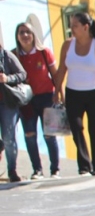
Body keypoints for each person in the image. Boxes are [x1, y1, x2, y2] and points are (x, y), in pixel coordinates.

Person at [53, 13, 95, 176]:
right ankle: (84, 166)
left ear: (86, 27)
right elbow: (61, 69)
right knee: (76, 127)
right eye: (71, 25)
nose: (71, 29)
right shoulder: (67, 45)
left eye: (75, 25)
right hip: (73, 93)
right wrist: (57, 90)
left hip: (94, 93)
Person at [13, 22, 60, 179]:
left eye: (28, 32)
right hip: (26, 100)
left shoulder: (44, 52)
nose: (25, 35)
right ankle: (37, 170)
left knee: (49, 135)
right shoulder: (14, 55)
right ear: (17, 36)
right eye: (21, 32)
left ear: (33, 35)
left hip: (47, 97)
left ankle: (55, 170)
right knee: (30, 135)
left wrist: (59, 94)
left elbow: (55, 74)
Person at [0, 43, 27, 182]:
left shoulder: (7, 56)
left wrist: (7, 78)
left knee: (8, 138)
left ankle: (12, 170)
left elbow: (22, 74)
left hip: (7, 103)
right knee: (5, 139)